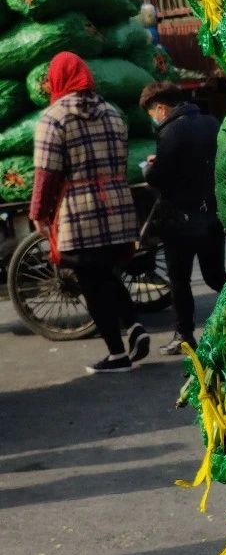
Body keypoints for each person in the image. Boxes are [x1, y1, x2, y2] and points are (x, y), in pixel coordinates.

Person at [30, 52, 148, 374]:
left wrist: (39, 212)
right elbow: (121, 160)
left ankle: (117, 355)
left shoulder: (53, 118)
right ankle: (135, 325)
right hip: (118, 204)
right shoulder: (113, 112)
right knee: (106, 272)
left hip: (80, 212)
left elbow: (46, 173)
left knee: (92, 282)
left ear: (58, 80)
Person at [138, 82, 226, 355]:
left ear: (161, 108)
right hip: (212, 214)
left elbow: (158, 176)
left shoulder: (170, 131)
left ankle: (185, 335)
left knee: (179, 280)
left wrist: (148, 169)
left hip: (180, 219)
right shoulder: (211, 122)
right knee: (215, 276)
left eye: (153, 114)